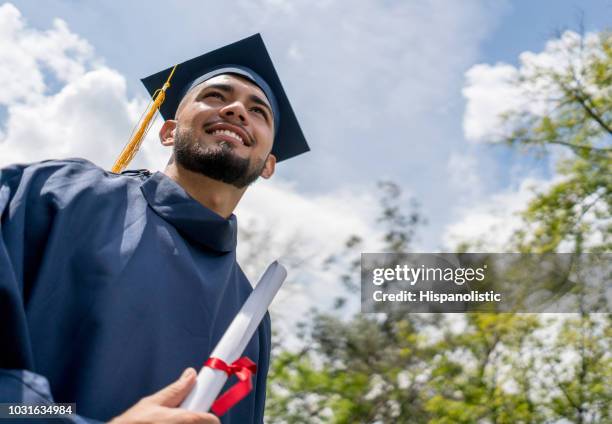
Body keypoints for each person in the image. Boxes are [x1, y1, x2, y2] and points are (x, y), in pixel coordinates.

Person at [0, 34, 309, 423]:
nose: (235, 110)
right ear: (168, 131)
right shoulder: (57, 196)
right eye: (215, 96)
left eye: (258, 110)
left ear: (268, 164)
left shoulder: (251, 315)